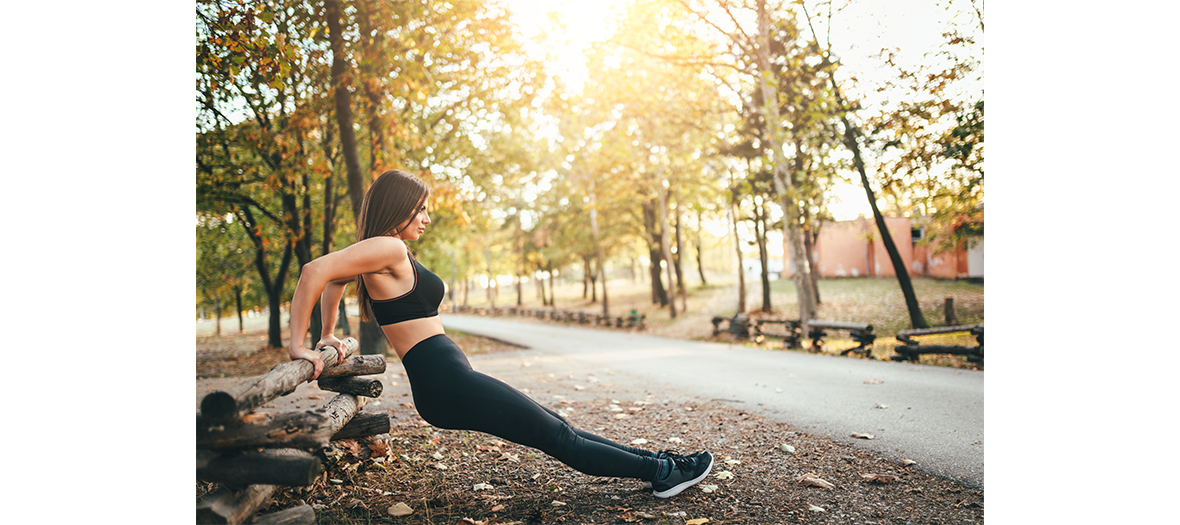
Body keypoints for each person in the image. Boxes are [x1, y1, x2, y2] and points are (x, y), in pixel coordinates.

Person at [286, 169, 713, 498]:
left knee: (558, 425)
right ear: (397, 208)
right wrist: (300, 345)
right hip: (445, 382)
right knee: (558, 436)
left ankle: (659, 462)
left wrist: (329, 334)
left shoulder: (383, 251)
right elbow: (316, 272)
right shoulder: (390, 246)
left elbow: (337, 279)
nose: (427, 218)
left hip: (448, 379)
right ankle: (662, 475)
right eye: (420, 210)